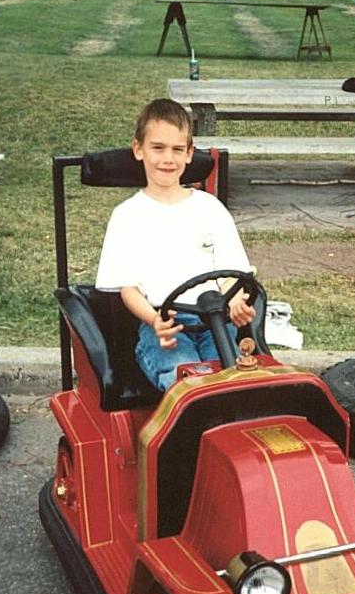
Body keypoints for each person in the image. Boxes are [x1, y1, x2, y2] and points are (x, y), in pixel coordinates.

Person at [95, 99, 256, 392]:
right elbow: (128, 288)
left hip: (216, 321)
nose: (167, 158)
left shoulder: (211, 209)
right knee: (187, 382)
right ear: (138, 149)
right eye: (158, 148)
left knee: (235, 380)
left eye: (177, 149)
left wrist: (234, 300)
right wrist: (154, 319)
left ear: (189, 154)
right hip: (165, 326)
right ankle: (192, 426)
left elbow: (231, 272)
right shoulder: (127, 216)